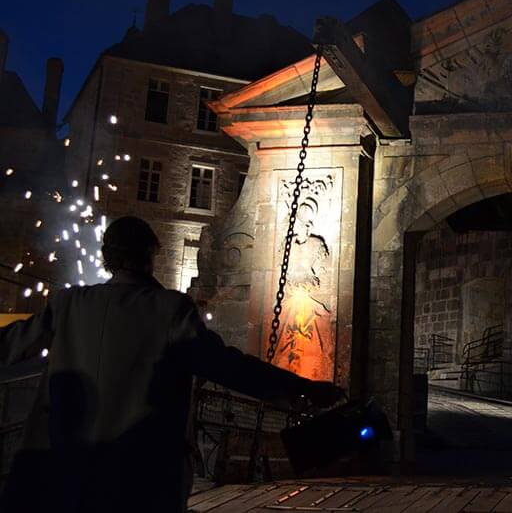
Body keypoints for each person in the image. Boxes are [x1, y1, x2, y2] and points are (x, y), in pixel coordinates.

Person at [0, 216, 345, 512]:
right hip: (142, 481)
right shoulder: (170, 310)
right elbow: (230, 367)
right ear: (151, 255)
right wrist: (304, 389)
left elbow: (13, 343)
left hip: (66, 477)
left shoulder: (68, 303)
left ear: (107, 257)